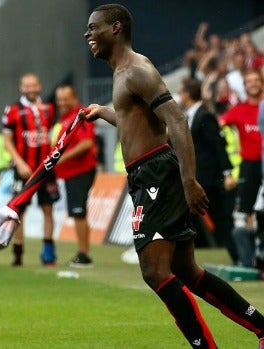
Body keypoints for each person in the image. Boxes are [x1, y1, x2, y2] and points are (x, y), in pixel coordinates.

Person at [81, 5, 264, 347]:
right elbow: (137, 124)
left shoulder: (137, 70)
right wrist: (104, 112)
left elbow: (176, 121)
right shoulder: (121, 72)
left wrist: (188, 180)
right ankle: (262, 328)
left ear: (116, 28)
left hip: (157, 175)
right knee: (187, 272)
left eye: (94, 28)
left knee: (154, 271)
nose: (88, 34)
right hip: (146, 175)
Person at [179, 77, 238, 262]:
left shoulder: (204, 116)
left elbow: (218, 146)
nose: (180, 95)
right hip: (197, 179)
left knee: (222, 221)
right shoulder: (190, 115)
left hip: (209, 180)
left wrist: (227, 173)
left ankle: (241, 258)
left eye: (181, 91)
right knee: (185, 215)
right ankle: (178, 256)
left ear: (187, 94)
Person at [3, 73, 59, 266]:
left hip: (45, 169)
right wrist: (19, 162)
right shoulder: (12, 110)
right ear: (21, 88)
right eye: (26, 86)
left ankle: (48, 253)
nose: (30, 89)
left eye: (33, 85)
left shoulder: (49, 109)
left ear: (39, 86)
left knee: (48, 209)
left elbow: (52, 135)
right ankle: (18, 253)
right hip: (23, 169)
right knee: (18, 212)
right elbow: (7, 141)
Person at [51, 85, 97, 268]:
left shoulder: (81, 115)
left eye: (65, 99)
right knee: (78, 213)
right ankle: (83, 253)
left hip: (81, 170)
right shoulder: (66, 118)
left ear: (75, 97)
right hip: (72, 172)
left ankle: (84, 255)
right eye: (59, 99)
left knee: (79, 213)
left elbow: (86, 143)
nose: (61, 102)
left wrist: (60, 158)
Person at [219, 70, 264, 248]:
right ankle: (256, 251)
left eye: (256, 80)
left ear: (261, 83)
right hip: (250, 165)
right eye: (249, 81)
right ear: (244, 86)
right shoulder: (238, 111)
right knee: (248, 208)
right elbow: (219, 124)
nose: (253, 83)